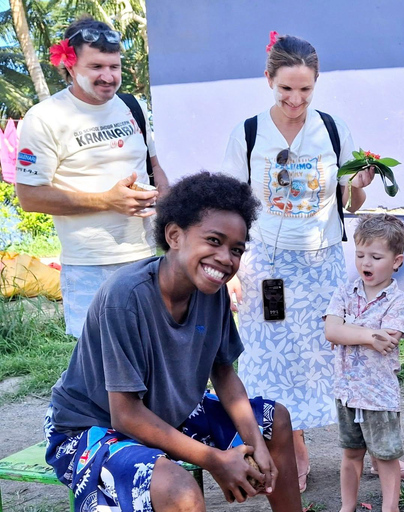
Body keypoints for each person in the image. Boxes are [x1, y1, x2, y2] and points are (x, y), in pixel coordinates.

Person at [220, 32, 404, 492]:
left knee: (344, 356)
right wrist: (232, 268)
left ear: (316, 84)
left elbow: (351, 199)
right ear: (268, 80)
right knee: (276, 364)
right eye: (285, 89)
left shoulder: (331, 129)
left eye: (305, 90)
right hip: (267, 267)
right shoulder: (249, 132)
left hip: (323, 262)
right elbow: (231, 206)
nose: (295, 99)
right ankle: (294, 452)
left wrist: (362, 181)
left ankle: (376, 451)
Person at [43, 171, 302, 512]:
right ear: (175, 235)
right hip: (91, 427)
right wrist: (215, 459)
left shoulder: (212, 292)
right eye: (213, 240)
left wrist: (258, 446)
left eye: (236, 249)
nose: (226, 258)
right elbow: (125, 416)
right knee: (178, 490)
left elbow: (224, 374)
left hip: (167, 412)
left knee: (274, 421)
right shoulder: (126, 296)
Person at [14, 15, 169, 338]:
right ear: (70, 66)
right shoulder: (45, 118)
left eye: (115, 66)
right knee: (99, 367)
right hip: (89, 266)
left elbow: (155, 169)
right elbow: (29, 197)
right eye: (96, 67)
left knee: (149, 354)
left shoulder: (132, 106)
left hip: (143, 260)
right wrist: (106, 201)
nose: (109, 76)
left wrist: (172, 230)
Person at [324, 214, 404, 512]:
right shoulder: (344, 292)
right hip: (347, 392)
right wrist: (367, 334)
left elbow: (387, 339)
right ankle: (346, 507)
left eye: (376, 256)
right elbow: (331, 331)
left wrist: (349, 332)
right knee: (351, 454)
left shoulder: (400, 301)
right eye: (360, 255)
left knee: (386, 458)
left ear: (396, 260)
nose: (366, 263)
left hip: (379, 396)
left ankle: (391, 508)